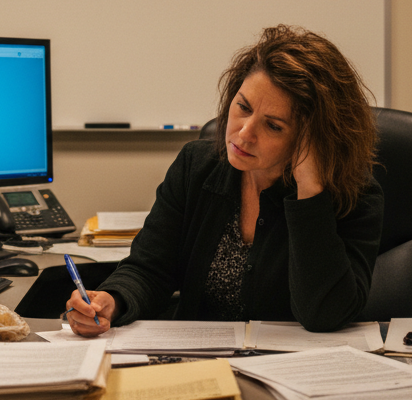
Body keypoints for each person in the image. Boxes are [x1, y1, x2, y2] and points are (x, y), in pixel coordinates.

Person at [66, 25, 383, 335]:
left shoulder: (354, 195)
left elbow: (323, 315)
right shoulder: (196, 166)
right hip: (199, 363)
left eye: (273, 126)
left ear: (311, 139)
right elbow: (150, 269)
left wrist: (310, 192)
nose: (244, 133)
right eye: (243, 107)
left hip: (294, 372)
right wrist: (113, 299)